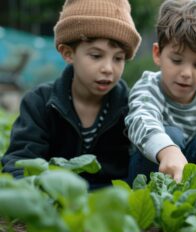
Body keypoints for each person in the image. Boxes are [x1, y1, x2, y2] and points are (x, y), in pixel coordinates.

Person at [1, 0, 141, 189]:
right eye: (96, 56)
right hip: (53, 202)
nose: (108, 68)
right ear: (68, 53)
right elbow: (19, 162)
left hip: (110, 208)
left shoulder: (132, 107)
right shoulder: (39, 103)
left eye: (118, 58)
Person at [125, 0, 196, 182]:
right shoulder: (148, 87)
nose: (186, 73)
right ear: (158, 54)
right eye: (176, 60)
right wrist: (167, 150)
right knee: (171, 135)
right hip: (151, 176)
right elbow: (141, 119)